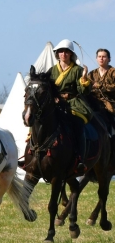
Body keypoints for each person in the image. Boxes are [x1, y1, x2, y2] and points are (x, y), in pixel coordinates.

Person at [47, 39, 93, 173]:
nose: (63, 54)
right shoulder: (52, 70)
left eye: (66, 52)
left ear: (71, 54)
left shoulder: (78, 70)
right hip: (54, 104)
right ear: (57, 54)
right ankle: (32, 153)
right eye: (61, 51)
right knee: (39, 118)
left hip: (73, 104)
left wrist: (84, 78)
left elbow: (84, 91)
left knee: (78, 125)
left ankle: (80, 159)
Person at [88, 49, 115, 135]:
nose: (101, 59)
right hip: (94, 102)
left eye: (104, 56)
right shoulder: (91, 74)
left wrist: (101, 86)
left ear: (109, 59)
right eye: (99, 57)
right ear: (96, 58)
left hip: (110, 104)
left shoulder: (113, 72)